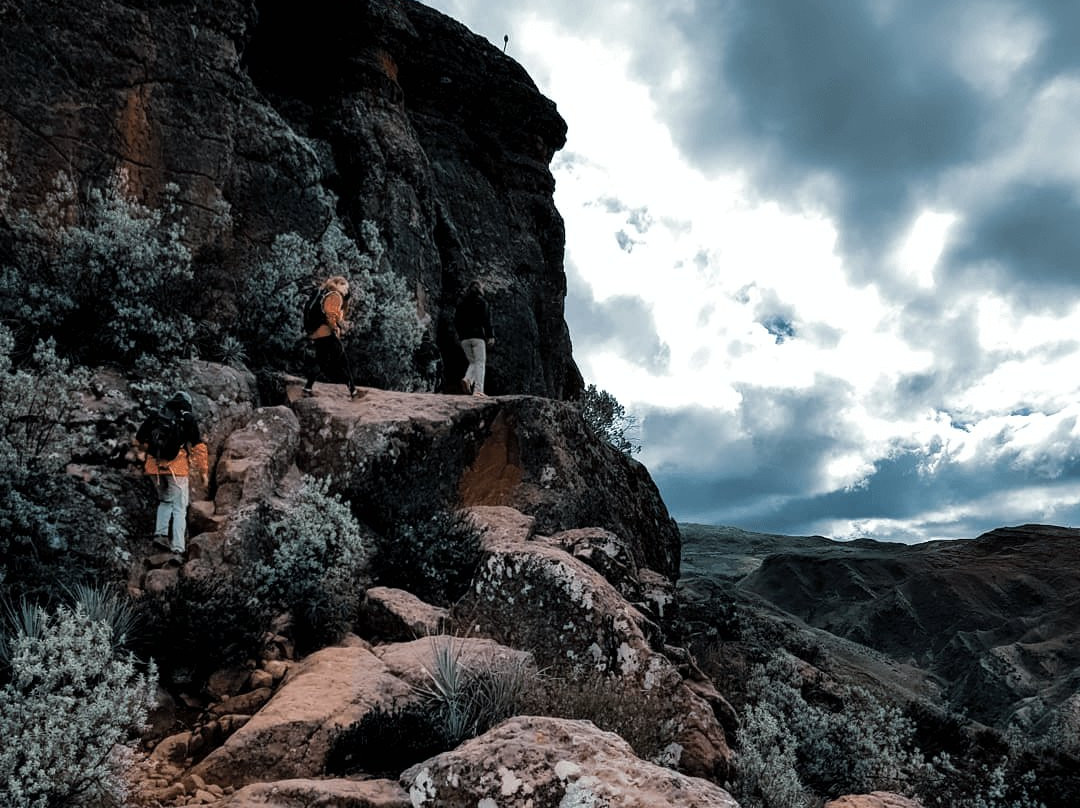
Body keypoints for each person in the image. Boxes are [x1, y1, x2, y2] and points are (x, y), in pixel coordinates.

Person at [135, 391, 208, 555]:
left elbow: (139, 438)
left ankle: (160, 534)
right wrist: (203, 472)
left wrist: (149, 455)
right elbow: (198, 447)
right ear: (188, 403)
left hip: (154, 468)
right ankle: (178, 548)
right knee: (180, 508)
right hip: (177, 469)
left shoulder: (157, 415)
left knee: (165, 501)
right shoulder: (187, 418)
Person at [302, 275, 359, 399]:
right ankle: (353, 390)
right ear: (338, 284)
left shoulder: (324, 292)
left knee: (320, 360)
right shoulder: (335, 295)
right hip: (326, 333)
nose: (346, 290)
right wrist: (336, 328)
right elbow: (330, 315)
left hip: (317, 333)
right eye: (345, 287)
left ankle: (307, 388)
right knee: (343, 361)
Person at [454, 279, 495, 396]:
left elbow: (456, 321)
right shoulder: (482, 303)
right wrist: (490, 336)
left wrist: (460, 334)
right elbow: (486, 320)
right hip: (477, 337)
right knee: (480, 363)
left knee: (473, 362)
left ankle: (467, 379)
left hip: (464, 338)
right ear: (479, 289)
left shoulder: (461, 303)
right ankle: (478, 390)